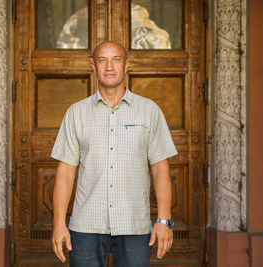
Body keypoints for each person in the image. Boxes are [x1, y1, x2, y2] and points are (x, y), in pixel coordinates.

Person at [51, 41, 177, 267]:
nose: (109, 66)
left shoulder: (149, 111)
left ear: (126, 65)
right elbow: (66, 171)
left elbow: (160, 168)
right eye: (102, 60)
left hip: (134, 225)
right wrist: (59, 223)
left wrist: (164, 220)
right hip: (86, 226)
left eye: (116, 60)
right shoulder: (76, 113)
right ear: (93, 66)